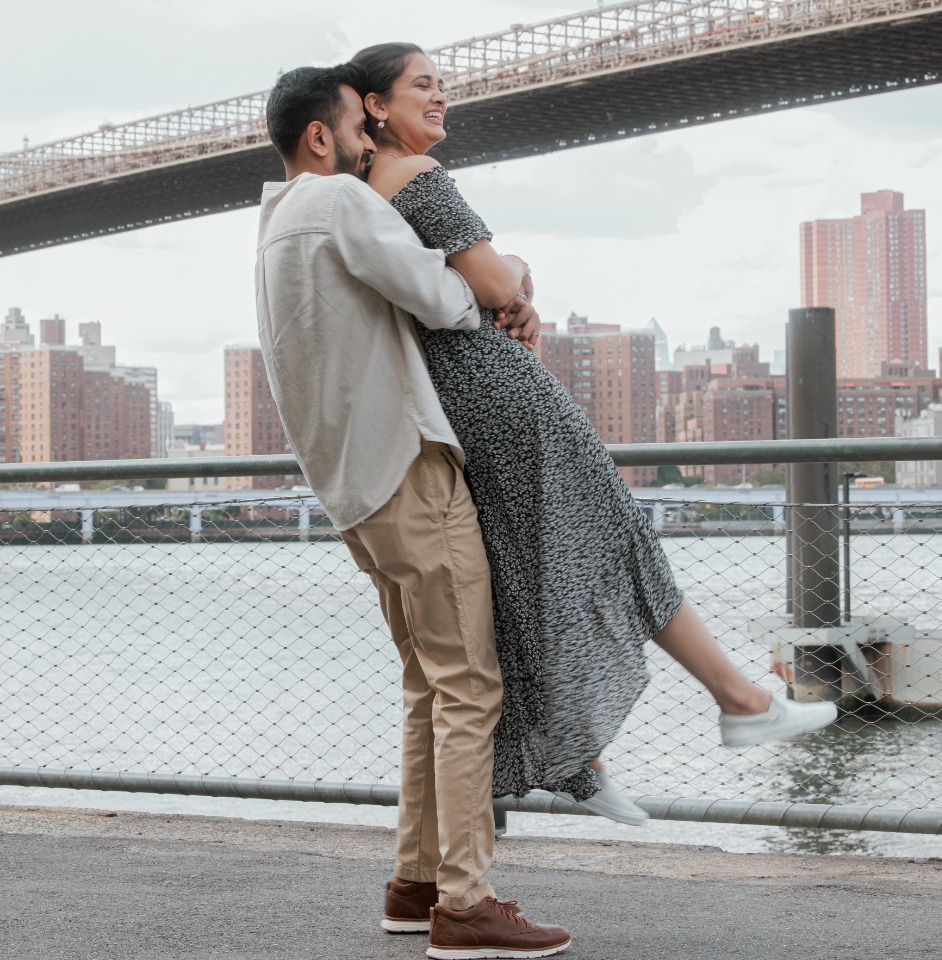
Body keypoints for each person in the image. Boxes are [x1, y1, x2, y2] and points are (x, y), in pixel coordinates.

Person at [348, 41, 838, 827]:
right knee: (617, 541)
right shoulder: (420, 178)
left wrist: (511, 277)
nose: (440, 99)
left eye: (444, 86)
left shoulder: (369, 190)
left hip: (458, 404)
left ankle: (584, 762)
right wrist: (518, 269)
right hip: (504, 394)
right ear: (374, 106)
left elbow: (477, 286)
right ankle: (739, 701)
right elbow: (498, 283)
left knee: (520, 577)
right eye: (421, 87)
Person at [255, 63, 573, 959]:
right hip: (407, 473)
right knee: (471, 685)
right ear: (322, 137)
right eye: (362, 128)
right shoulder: (342, 204)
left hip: (350, 487)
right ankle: (467, 905)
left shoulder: (274, 224)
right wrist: (511, 277)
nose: (372, 146)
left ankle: (416, 882)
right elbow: (447, 297)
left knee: (426, 683)